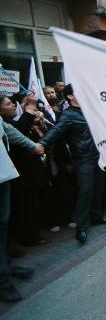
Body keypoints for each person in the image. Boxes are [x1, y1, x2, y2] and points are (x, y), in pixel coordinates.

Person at [39, 84, 106, 244]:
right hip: (83, 159)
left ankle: (96, 216)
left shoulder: (90, 110)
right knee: (85, 192)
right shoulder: (68, 115)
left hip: (98, 156)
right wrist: (41, 144)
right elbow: (56, 130)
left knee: (98, 189)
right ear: (70, 96)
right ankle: (81, 227)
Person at [0, 117, 43, 303]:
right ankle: (4, 282)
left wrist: (31, 145)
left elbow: (8, 130)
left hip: (2, 175)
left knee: (3, 223)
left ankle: (6, 265)